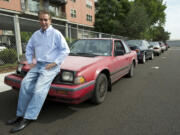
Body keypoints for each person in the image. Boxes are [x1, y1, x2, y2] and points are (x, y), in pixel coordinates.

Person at [6, 10, 70, 133]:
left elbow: (65, 50)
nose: (43, 22)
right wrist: (30, 61)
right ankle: (20, 114)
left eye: (46, 19)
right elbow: (29, 47)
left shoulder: (56, 34)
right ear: (39, 21)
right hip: (38, 64)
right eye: (41, 19)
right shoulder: (36, 34)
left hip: (50, 66)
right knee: (24, 84)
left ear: (50, 20)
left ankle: (28, 117)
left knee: (39, 89)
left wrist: (55, 63)